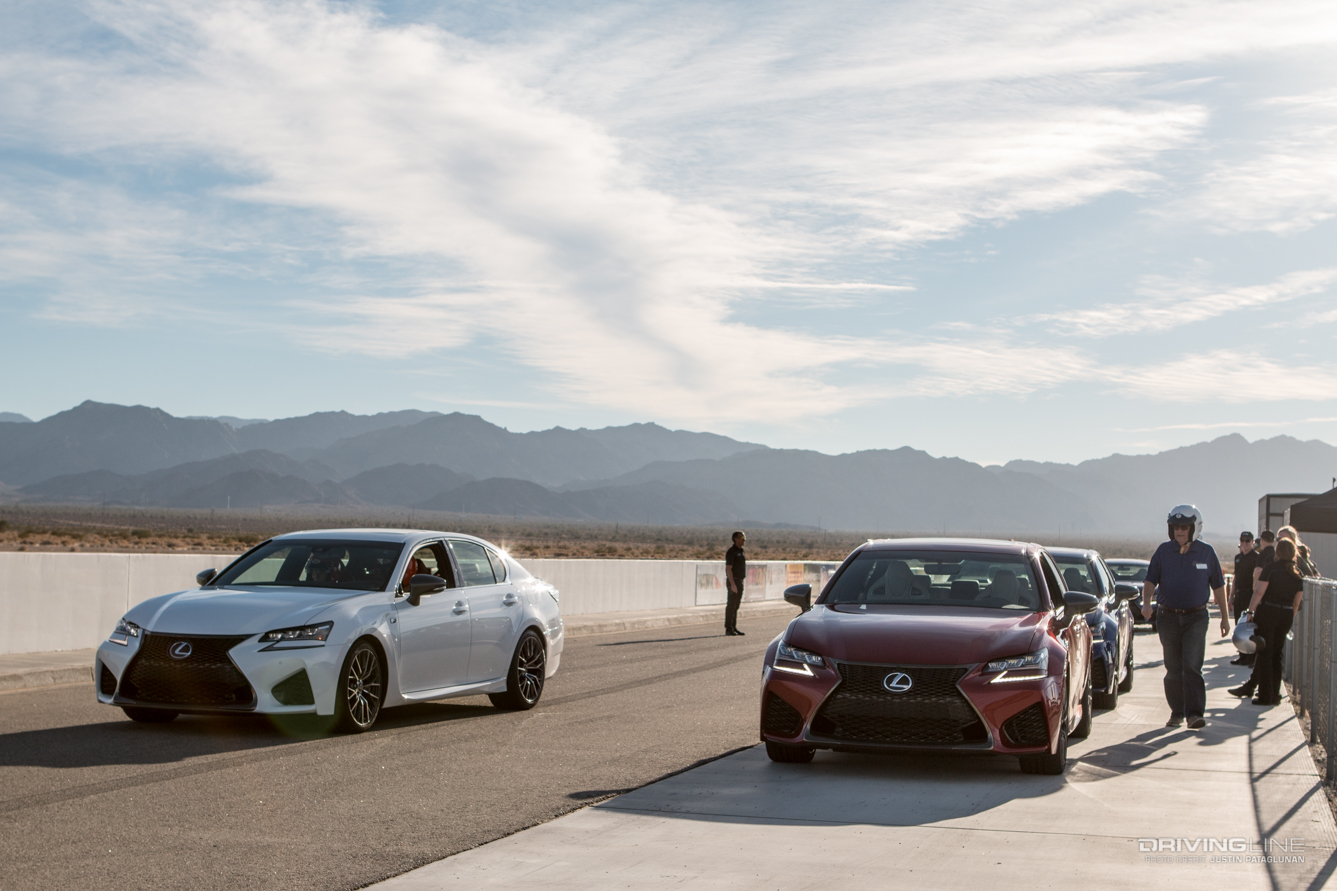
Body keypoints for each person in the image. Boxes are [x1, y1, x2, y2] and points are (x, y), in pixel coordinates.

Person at [1142, 505, 1229, 729]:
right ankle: (1176, 712)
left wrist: (1226, 618)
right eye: (1176, 527)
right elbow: (1150, 580)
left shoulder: (1207, 553)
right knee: (1172, 667)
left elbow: (1219, 586)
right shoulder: (1163, 551)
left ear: (1194, 528)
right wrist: (1146, 604)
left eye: (1184, 527)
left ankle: (1194, 714)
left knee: (1191, 665)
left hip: (1196, 618)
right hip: (1168, 617)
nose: (1180, 531)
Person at [1235, 539, 1306, 706]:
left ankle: (1265, 695)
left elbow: (1259, 592)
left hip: (1268, 612)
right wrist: (1289, 617)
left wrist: (1250, 612)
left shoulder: (1271, 569)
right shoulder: (1297, 574)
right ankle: (1275, 694)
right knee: (1277, 654)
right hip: (1286, 614)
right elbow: (1296, 602)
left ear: (1278, 552)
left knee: (1265, 654)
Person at [1230, 532, 1262, 666]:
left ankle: (1252, 656)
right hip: (1240, 594)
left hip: (1250, 594)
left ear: (1252, 542)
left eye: (1247, 541)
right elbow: (1236, 578)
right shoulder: (1238, 558)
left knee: (1250, 626)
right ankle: (1242, 655)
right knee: (1239, 625)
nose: (1245, 544)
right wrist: (1230, 597)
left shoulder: (1257, 558)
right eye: (1242, 541)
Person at [724, 531, 747, 636]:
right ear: (735, 539)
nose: (744, 539)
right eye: (741, 537)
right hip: (734, 581)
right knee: (731, 605)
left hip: (740, 581)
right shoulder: (732, 552)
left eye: (744, 537)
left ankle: (734, 626)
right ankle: (728, 628)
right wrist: (732, 584)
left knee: (736, 606)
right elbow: (729, 569)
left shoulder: (741, 551)